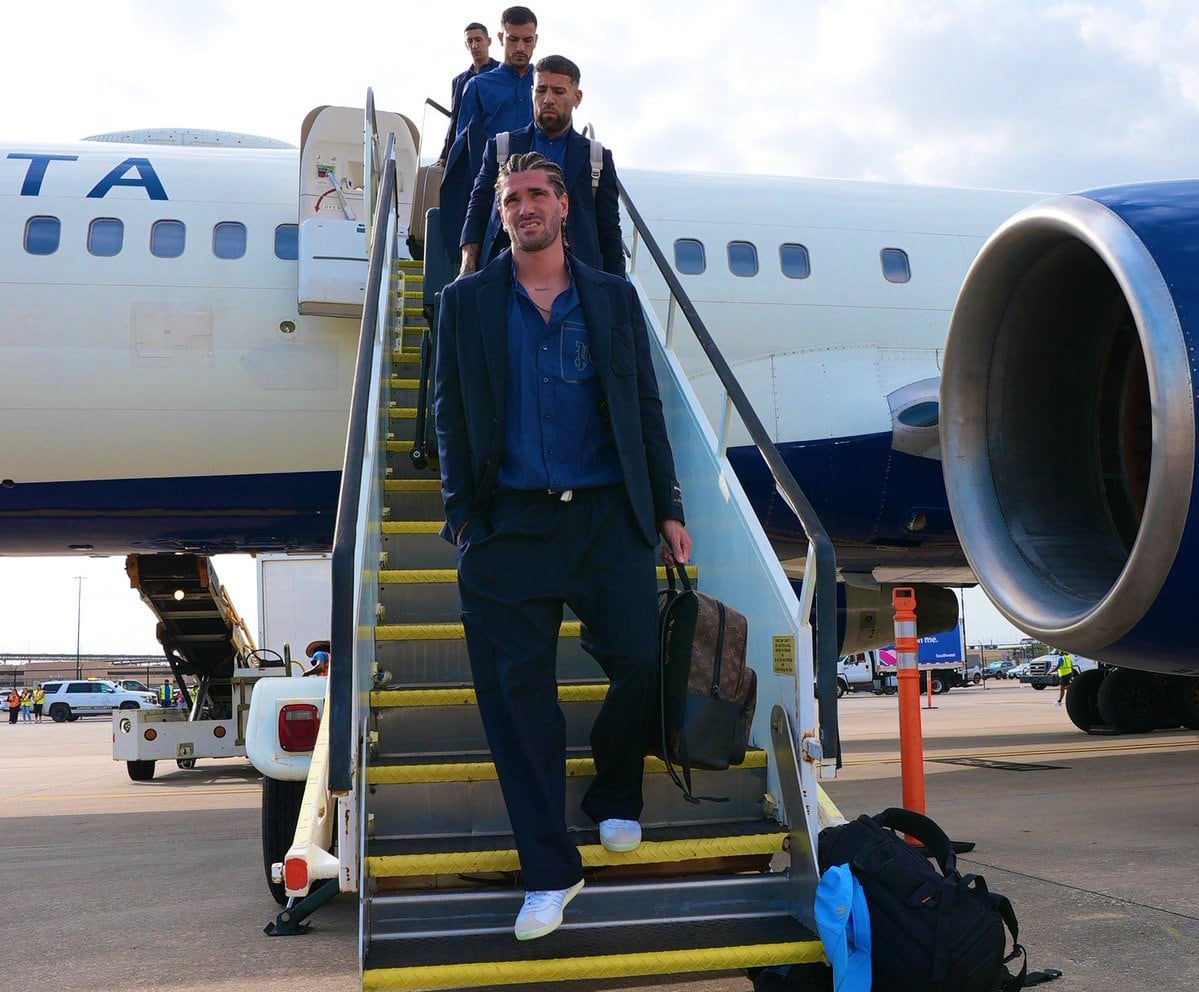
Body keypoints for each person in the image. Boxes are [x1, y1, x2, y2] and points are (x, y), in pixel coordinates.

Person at [434, 152, 692, 941]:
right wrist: (462, 511)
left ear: (563, 207)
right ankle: (550, 871)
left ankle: (613, 793)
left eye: (536, 194)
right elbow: (447, 410)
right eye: (511, 198)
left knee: (643, 662)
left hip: (607, 518)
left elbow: (644, 407)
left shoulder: (612, 298)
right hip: (508, 526)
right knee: (518, 707)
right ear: (501, 213)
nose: (523, 207)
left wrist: (669, 506)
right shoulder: (466, 301)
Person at [459, 54, 624, 278]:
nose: (548, 99)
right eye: (540, 90)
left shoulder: (597, 158)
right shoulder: (501, 148)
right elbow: (478, 207)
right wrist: (468, 266)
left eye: (558, 91)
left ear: (577, 98)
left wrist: (618, 291)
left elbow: (609, 231)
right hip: (506, 276)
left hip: (577, 280)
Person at [438, 7, 538, 265]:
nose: (520, 47)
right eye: (513, 39)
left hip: (541, 190)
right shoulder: (477, 86)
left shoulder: (544, 84)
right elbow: (465, 150)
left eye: (527, 40)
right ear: (501, 37)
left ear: (535, 40)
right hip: (496, 191)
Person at [436, 22, 501, 167]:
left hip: (497, 144)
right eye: (470, 41)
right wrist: (446, 154)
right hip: (470, 148)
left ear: (488, 41)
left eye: (478, 40)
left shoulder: (501, 72)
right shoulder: (460, 80)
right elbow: (455, 118)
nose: (474, 45)